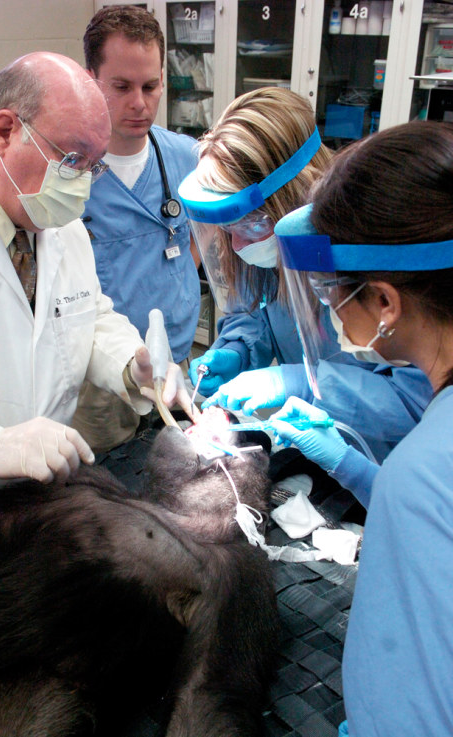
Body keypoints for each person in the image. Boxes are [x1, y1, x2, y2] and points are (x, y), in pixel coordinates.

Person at [0, 52, 193, 527]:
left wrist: (131, 363)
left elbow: (85, 315)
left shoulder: (57, 223)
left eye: (93, 167)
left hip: (32, 509)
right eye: (72, 159)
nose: (81, 186)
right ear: (6, 131)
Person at [266, 119, 453, 735]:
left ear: (385, 301)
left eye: (330, 291)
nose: (328, 307)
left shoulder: (426, 470)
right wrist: (359, 472)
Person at [179, 86, 432, 468]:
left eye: (249, 224)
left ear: (293, 198)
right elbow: (259, 312)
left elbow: (417, 403)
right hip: (314, 458)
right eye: (228, 228)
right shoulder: (259, 247)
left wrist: (299, 383)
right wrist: (238, 349)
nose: (235, 245)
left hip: (386, 464)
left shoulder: (369, 258)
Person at [72, 5, 201, 452]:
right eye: (122, 87)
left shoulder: (185, 157)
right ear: (92, 80)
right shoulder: (66, 172)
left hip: (178, 358)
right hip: (101, 380)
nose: (140, 103)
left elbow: (196, 244)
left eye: (151, 85)